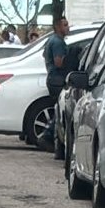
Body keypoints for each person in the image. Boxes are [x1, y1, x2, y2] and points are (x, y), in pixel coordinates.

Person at [38, 16, 70, 151]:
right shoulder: (58, 42)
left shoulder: (51, 40)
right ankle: (48, 135)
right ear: (58, 27)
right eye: (65, 25)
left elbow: (44, 55)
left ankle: (54, 141)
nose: (68, 27)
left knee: (58, 108)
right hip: (58, 79)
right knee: (60, 109)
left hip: (52, 78)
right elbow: (59, 62)